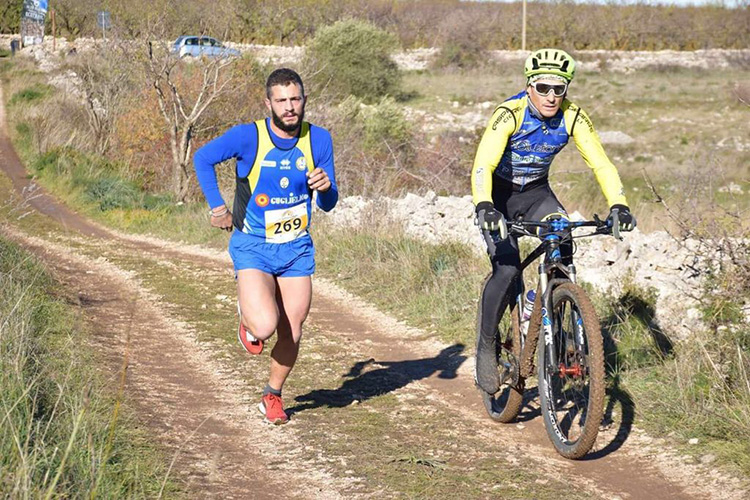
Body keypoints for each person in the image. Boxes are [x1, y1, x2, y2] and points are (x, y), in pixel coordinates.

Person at [471, 48, 635, 394]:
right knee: (508, 269)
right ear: (529, 86)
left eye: (558, 89)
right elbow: (483, 164)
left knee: (563, 238)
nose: (551, 96)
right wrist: (485, 205)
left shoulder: (573, 116)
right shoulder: (509, 113)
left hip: (536, 194)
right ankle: (486, 348)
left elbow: (601, 164)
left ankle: (553, 308)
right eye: (543, 87)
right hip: (499, 196)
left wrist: (618, 204)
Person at [193, 68, 338, 424]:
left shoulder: (318, 139)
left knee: (295, 328)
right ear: (268, 103)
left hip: (296, 249)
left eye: (296, 99)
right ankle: (250, 318)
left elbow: (330, 203)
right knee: (264, 327)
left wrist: (326, 186)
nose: (290, 107)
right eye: (282, 100)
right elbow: (203, 158)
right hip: (253, 245)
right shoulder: (248, 136)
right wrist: (217, 206)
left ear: (304, 100)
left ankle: (272, 396)